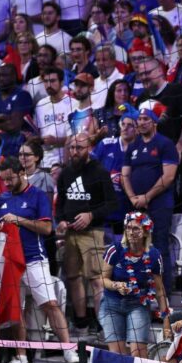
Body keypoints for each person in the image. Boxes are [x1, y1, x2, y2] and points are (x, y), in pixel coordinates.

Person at [0, 157, 80, 363]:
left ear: (22, 173)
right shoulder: (2, 198)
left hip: (35, 259)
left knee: (50, 304)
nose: (6, 183)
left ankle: (69, 350)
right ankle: (21, 358)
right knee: (17, 310)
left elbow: (47, 229)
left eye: (10, 179)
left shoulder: (38, 196)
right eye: (3, 180)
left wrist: (18, 219)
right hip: (11, 262)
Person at [56, 134, 118, 336]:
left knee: (96, 280)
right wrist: (62, 221)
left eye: (79, 148)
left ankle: (103, 327)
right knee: (73, 278)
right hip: (71, 234)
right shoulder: (65, 173)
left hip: (93, 232)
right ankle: (81, 324)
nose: (74, 152)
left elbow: (112, 204)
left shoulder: (99, 172)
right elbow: (61, 204)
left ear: (89, 148)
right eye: (72, 147)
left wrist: (91, 215)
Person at [121, 107, 179, 294]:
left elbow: (169, 176)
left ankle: (164, 292)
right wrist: (133, 198)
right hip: (136, 205)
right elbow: (125, 175)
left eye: (146, 118)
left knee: (159, 246)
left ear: (154, 122)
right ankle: (139, 290)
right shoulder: (133, 146)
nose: (141, 122)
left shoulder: (165, 144)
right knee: (134, 246)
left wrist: (147, 197)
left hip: (159, 205)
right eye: (140, 119)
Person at [100, 211, 171, 358]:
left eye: (136, 229)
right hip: (112, 303)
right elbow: (103, 279)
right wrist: (116, 285)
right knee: (117, 355)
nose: (131, 232)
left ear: (145, 232)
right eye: (128, 228)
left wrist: (166, 321)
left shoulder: (154, 256)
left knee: (138, 352)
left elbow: (159, 291)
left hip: (138, 303)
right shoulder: (115, 249)